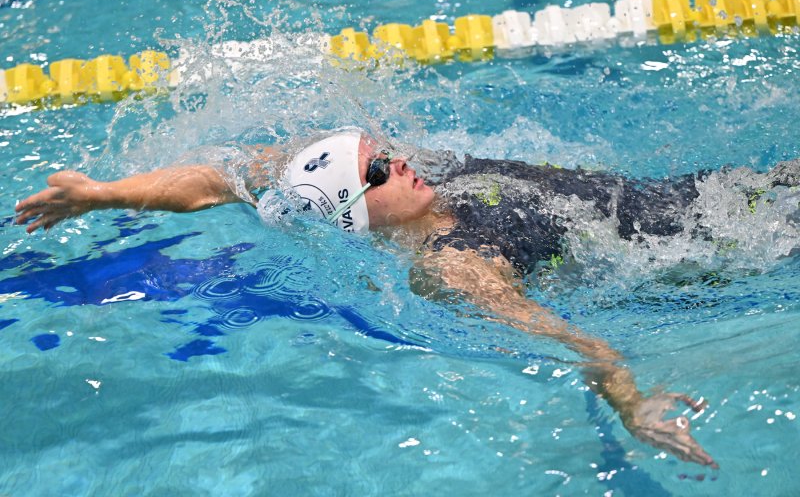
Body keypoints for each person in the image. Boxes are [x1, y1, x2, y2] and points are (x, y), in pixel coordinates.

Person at [24, 127, 797, 469]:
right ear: (353, 216)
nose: (397, 162)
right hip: (727, 253)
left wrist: (102, 193)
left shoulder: (423, 176)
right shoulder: (453, 268)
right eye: (376, 172)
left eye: (384, 153)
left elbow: (225, 179)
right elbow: (579, 342)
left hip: (706, 196)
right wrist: (632, 406)